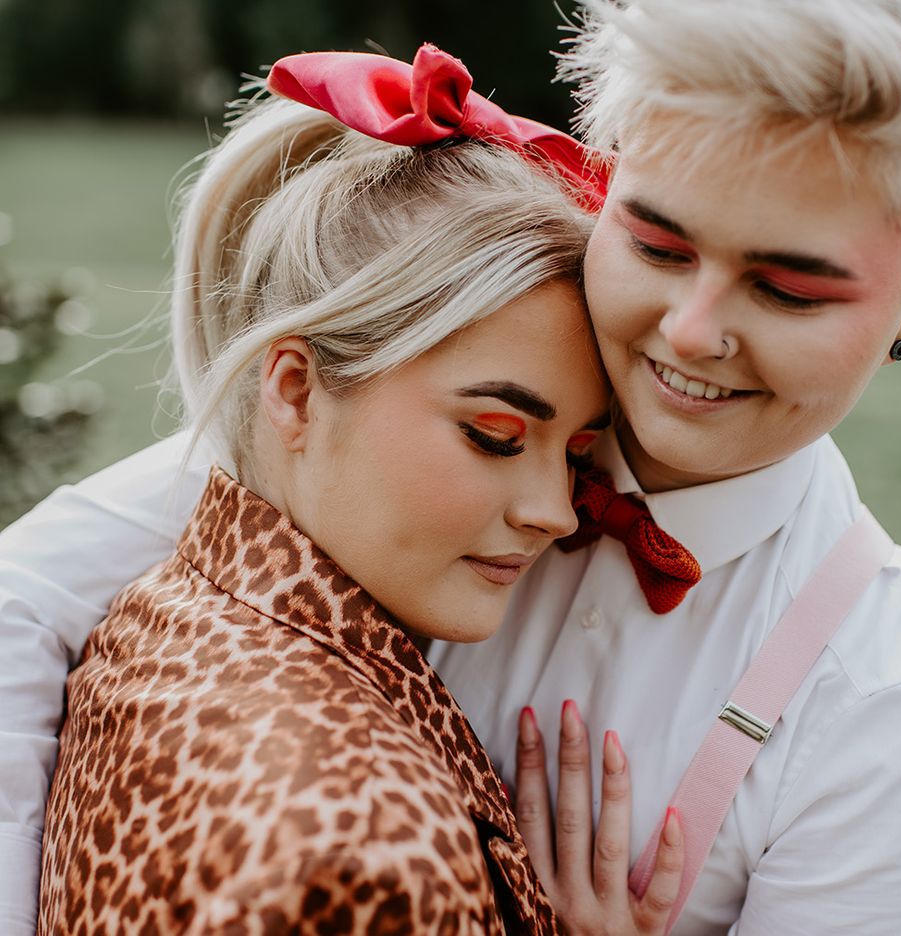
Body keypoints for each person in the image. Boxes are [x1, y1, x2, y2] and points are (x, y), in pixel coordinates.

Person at [2, 0, 901, 932]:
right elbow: (25, 598)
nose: (690, 330)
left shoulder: (875, 701)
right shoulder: (418, 400)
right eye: (654, 241)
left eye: (785, 287)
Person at [32, 48, 686, 933]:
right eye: (495, 436)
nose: (557, 511)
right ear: (294, 389)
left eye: (575, 456)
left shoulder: (161, 619)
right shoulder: (367, 855)